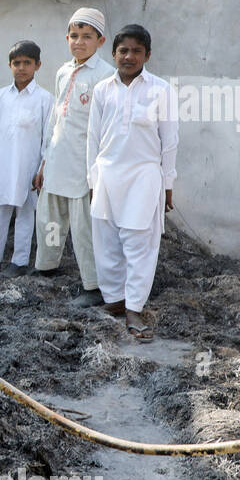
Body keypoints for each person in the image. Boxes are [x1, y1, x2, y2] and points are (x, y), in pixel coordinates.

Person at [87, 24, 178, 340]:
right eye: (123, 50)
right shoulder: (102, 90)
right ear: (113, 53)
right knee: (106, 241)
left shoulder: (161, 90)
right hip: (108, 175)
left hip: (144, 176)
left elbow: (170, 142)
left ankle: (135, 308)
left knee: (140, 244)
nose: (128, 56)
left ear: (147, 55)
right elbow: (93, 139)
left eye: (136, 51)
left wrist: (167, 184)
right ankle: (113, 301)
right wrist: (92, 180)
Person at [33, 7, 115, 305]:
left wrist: (98, 171)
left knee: (83, 228)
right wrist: (44, 160)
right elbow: (56, 118)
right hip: (57, 158)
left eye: (86, 37)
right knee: (50, 219)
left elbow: (105, 129)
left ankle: (93, 287)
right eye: (74, 36)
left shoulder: (105, 76)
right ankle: (47, 266)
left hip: (84, 164)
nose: (79, 42)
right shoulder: (63, 71)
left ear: (100, 40)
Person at [0, 41, 54, 275]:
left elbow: (48, 138)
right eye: (17, 63)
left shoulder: (45, 99)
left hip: (29, 167)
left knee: (25, 213)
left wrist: (41, 168)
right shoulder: (0, 96)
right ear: (10, 65)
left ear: (38, 65)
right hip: (3, 165)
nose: (21, 68)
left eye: (27, 63)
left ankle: (20, 261)